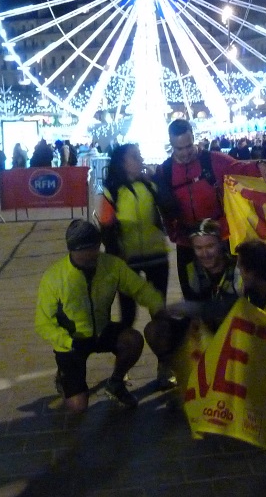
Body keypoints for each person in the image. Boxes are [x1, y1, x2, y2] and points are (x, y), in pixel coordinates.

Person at [35, 220, 166, 412]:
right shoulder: (54, 277)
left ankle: (115, 383)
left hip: (101, 330)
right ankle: (65, 376)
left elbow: (140, 288)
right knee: (78, 407)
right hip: (71, 341)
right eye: (86, 253)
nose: (93, 256)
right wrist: (66, 341)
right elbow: (43, 322)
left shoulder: (111, 265)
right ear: (72, 250)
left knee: (133, 340)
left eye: (95, 249)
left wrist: (161, 307)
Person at [155, 119, 266, 299]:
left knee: (231, 292)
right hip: (187, 243)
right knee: (192, 292)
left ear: (193, 138)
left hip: (221, 239)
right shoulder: (165, 171)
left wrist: (259, 165)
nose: (186, 152)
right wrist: (174, 233)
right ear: (171, 144)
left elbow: (238, 168)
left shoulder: (213, 160)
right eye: (179, 149)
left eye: (189, 146)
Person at [99, 144, 171, 383]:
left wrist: (156, 182)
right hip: (127, 261)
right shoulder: (111, 191)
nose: (140, 159)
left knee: (159, 312)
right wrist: (115, 259)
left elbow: (172, 208)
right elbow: (106, 228)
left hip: (156, 257)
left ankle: (165, 366)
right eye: (135, 156)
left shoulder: (150, 185)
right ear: (122, 162)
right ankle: (123, 364)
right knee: (127, 315)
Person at [145, 219, 244, 362]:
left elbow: (242, 307)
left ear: (221, 244)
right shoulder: (192, 269)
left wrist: (196, 309)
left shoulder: (238, 268)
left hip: (235, 329)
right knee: (155, 329)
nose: (205, 253)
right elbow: (193, 302)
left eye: (210, 246)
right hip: (205, 326)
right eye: (198, 248)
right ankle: (171, 369)